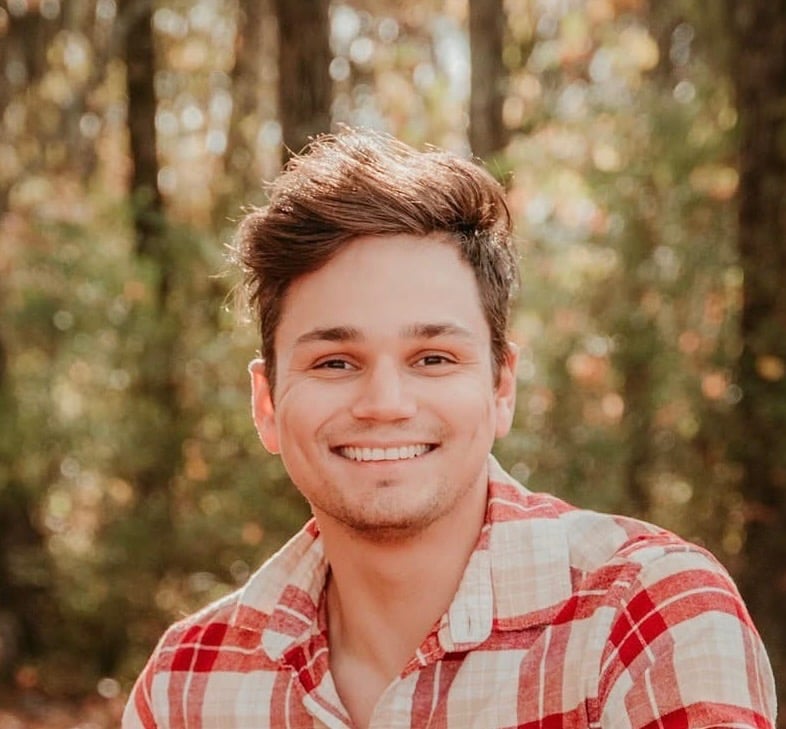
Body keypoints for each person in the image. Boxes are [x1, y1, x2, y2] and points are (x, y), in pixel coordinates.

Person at [123, 129, 776, 729]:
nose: (385, 403)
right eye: (335, 361)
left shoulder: (644, 619)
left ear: (501, 388)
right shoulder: (187, 684)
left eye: (433, 358)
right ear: (266, 403)